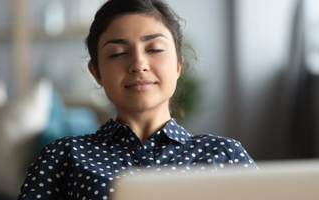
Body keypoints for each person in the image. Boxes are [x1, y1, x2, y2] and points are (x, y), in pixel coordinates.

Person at [18, 0, 258, 199]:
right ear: (97, 73)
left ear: (178, 65)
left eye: (154, 49)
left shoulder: (225, 155)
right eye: (118, 53)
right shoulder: (63, 156)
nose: (138, 64)